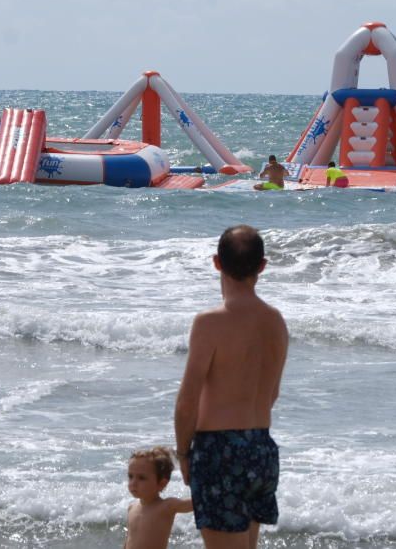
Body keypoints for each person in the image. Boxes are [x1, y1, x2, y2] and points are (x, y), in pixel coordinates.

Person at [175, 225, 289, 549]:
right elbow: (273, 395)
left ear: (217, 263)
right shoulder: (275, 321)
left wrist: (183, 453)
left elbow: (187, 400)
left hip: (219, 449)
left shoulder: (210, 322)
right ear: (262, 266)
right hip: (261, 448)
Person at [123, 446, 194, 549]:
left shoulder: (166, 506)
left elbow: (197, 503)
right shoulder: (131, 508)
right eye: (130, 476)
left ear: (161, 484)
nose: (133, 482)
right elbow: (128, 541)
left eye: (141, 478)